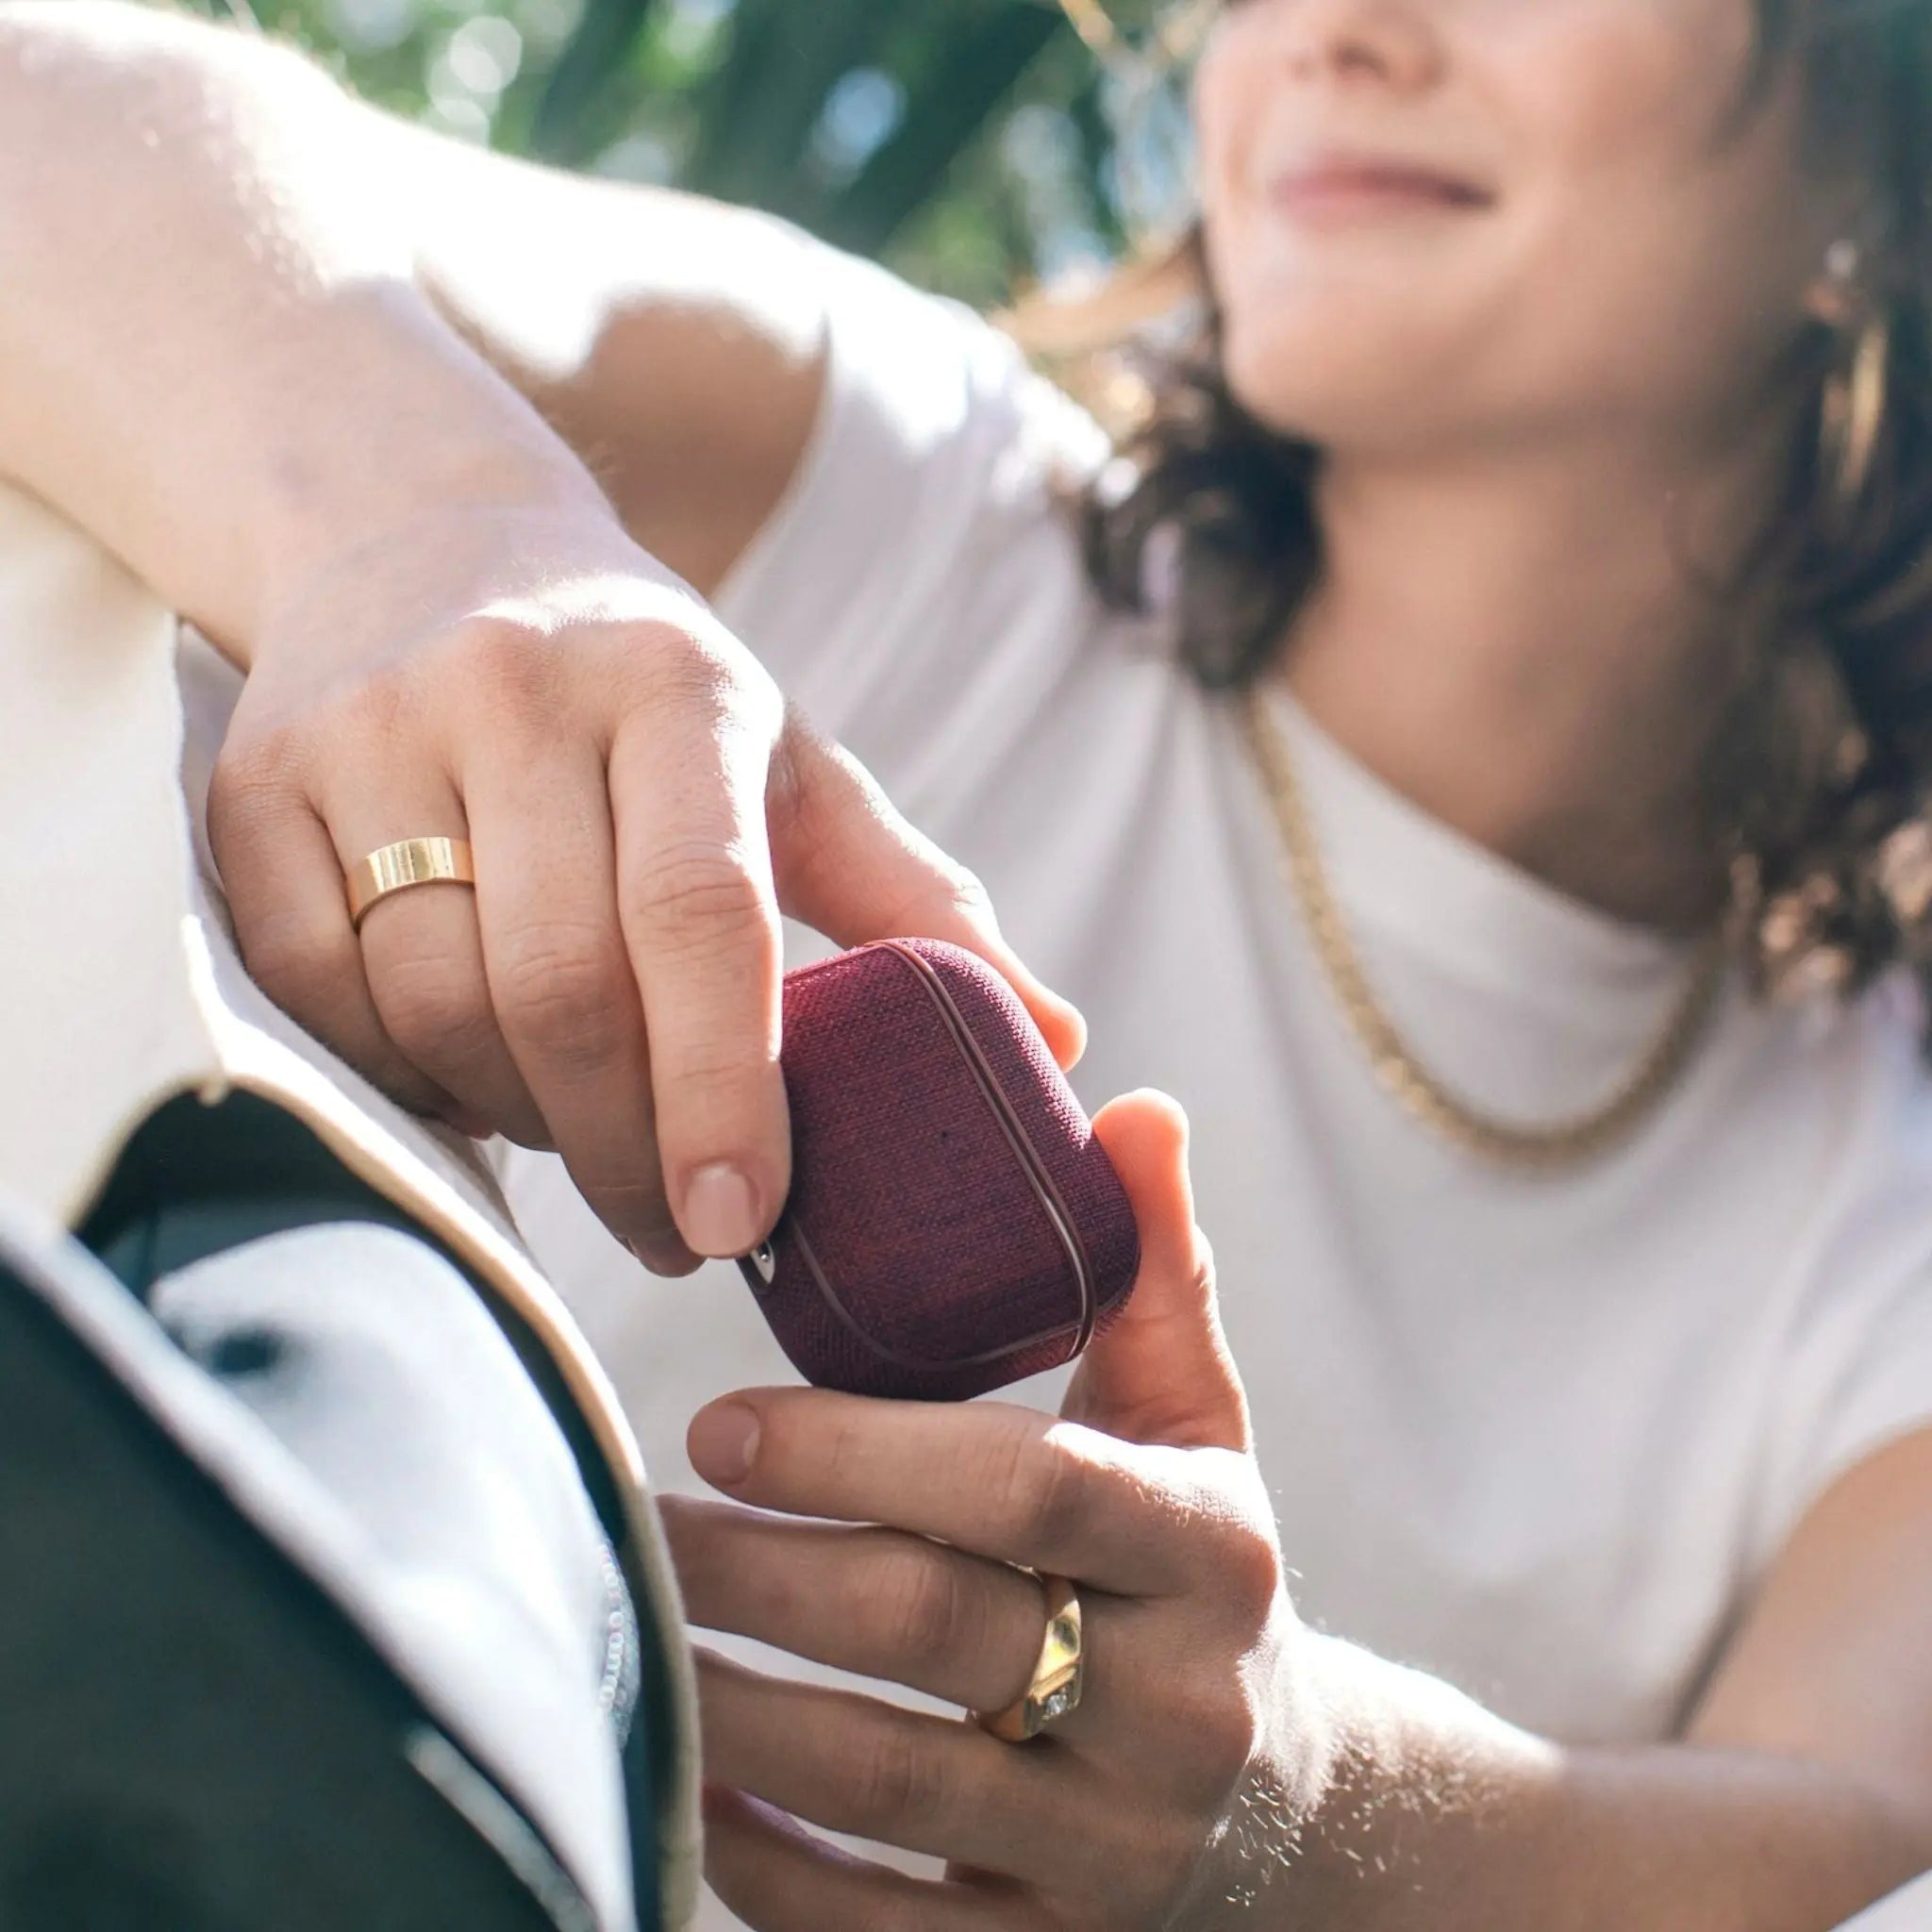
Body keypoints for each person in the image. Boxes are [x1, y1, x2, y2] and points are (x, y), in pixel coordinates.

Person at [7, 1, 1932, 1927]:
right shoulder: (918, 493)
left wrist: (1309, 1791)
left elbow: (1872, 1834)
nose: (1332, 30)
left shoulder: (1884, 1197)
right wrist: (434, 527)